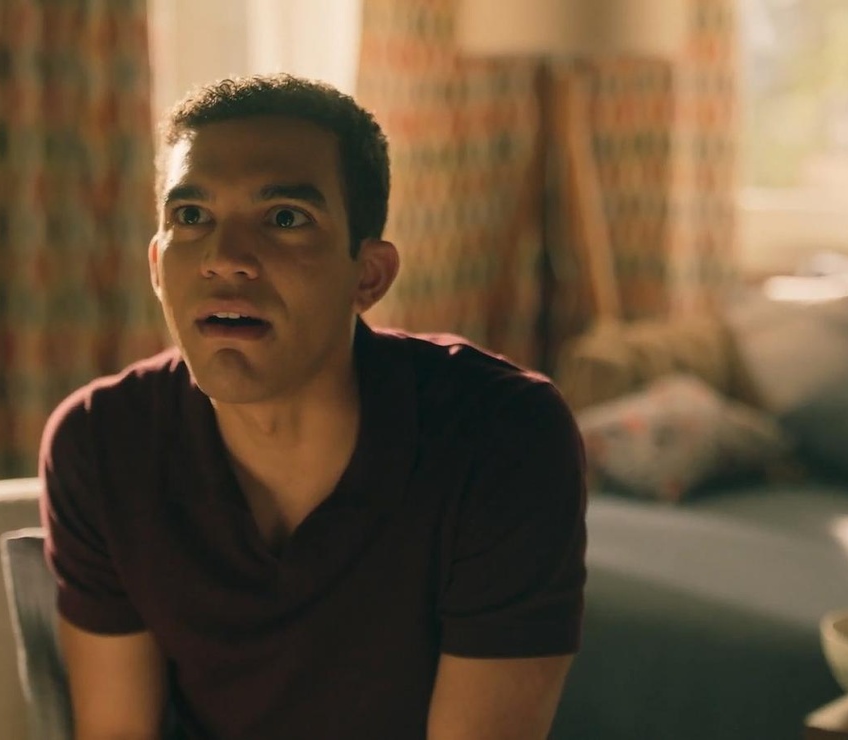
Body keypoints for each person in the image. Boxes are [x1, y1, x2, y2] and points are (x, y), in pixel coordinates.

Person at [39, 74, 588, 740]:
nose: (225, 258)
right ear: (158, 267)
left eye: (284, 218)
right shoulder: (101, 442)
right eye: (192, 217)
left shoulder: (504, 437)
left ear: (369, 275)